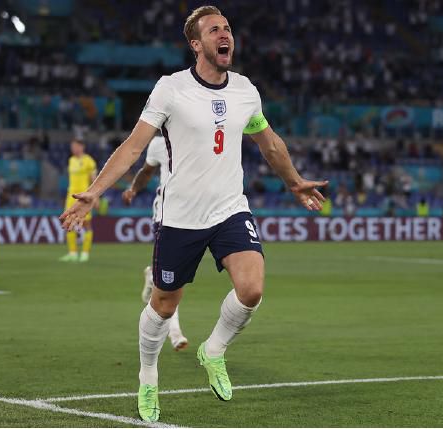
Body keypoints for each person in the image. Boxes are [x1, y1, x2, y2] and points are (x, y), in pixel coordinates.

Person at [60, 6, 327, 422]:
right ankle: (148, 377)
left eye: (228, 28)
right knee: (164, 306)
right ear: (196, 44)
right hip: (181, 215)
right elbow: (133, 147)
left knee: (252, 289)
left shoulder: (245, 91)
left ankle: (213, 350)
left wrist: (293, 181)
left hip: (229, 209)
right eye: (215, 30)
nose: (226, 35)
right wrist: (94, 192)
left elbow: (269, 143)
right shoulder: (171, 89)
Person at [122, 136, 189, 352]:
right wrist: (133, 189)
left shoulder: (198, 135)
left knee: (177, 270)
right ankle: (175, 333)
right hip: (166, 209)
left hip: (194, 209)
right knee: (173, 276)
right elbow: (147, 171)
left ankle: (153, 275)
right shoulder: (158, 143)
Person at [59, 139, 97, 262]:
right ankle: (73, 253)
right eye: (72, 146)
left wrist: (95, 197)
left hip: (84, 197)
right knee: (67, 221)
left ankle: (85, 253)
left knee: (86, 224)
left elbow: (94, 180)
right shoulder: (71, 160)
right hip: (71, 196)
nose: (73, 149)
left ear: (82, 147)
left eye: (75, 146)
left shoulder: (89, 161)